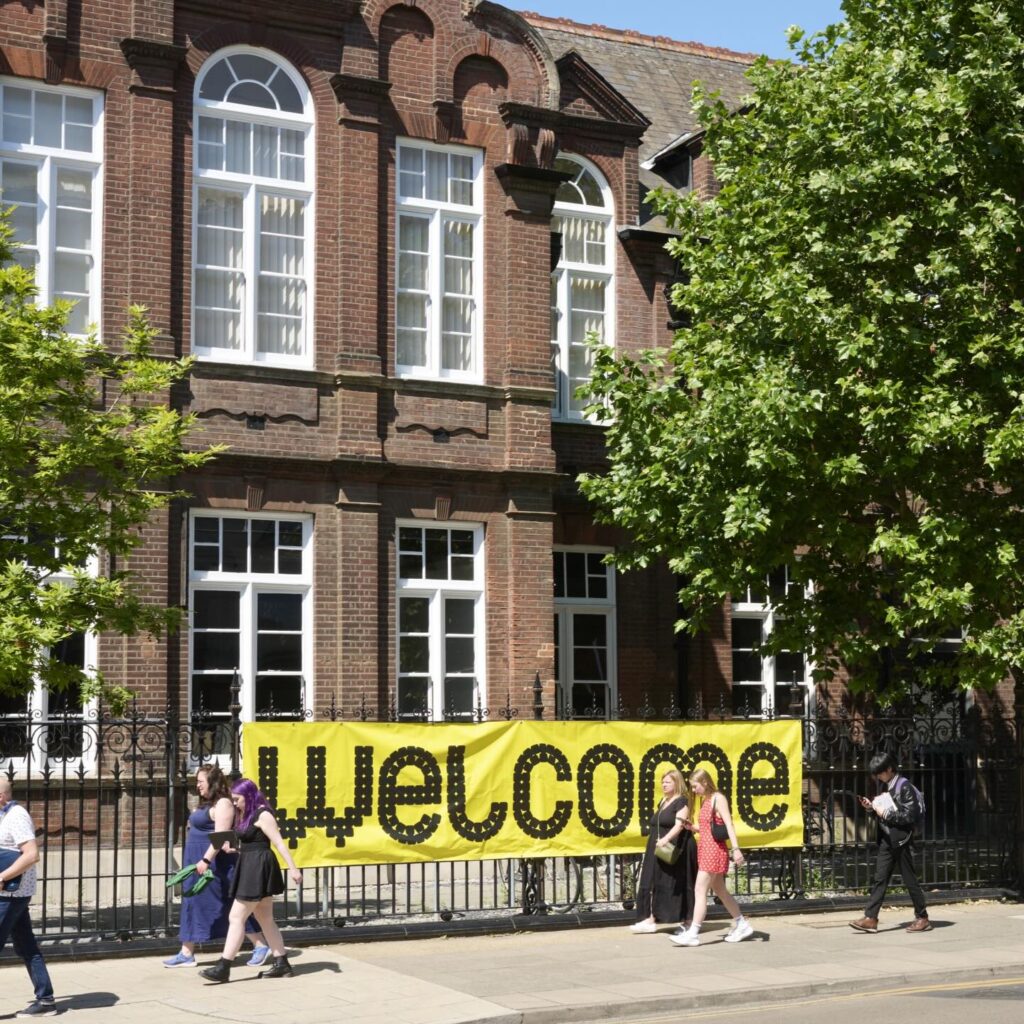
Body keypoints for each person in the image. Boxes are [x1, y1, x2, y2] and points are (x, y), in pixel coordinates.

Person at [164, 764, 269, 968]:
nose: (198, 786)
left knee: (228, 904)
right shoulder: (205, 804)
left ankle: (260, 944)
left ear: (212, 782)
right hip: (195, 860)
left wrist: (205, 860)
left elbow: (221, 837)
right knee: (192, 902)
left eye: (201, 782)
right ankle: (187, 951)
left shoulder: (223, 803)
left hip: (214, 864)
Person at [199, 778, 302, 983]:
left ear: (248, 796)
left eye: (237, 799)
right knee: (265, 918)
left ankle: (224, 966)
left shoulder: (263, 814)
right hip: (250, 864)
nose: (235, 803)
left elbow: (278, 843)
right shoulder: (248, 814)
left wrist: (293, 868)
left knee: (236, 917)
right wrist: (235, 848)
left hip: (258, 868)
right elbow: (253, 842)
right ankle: (282, 962)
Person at [670, 769, 753, 946]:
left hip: (713, 851)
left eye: (695, 786)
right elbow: (712, 827)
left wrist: (736, 848)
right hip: (708, 849)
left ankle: (693, 932)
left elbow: (729, 823)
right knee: (721, 891)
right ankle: (741, 924)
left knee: (700, 890)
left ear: (705, 782)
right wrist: (694, 828)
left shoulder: (717, 798)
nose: (694, 790)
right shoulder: (707, 800)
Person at [851, 752, 930, 933]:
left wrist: (885, 814)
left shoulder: (904, 787)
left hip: (901, 839)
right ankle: (871, 918)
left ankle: (922, 917)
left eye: (880, 772)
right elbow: (888, 810)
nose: (878, 776)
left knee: (909, 879)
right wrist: (871, 808)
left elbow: (909, 816)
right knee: (880, 877)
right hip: (889, 838)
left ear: (889, 769)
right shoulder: (890, 786)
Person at [0, 778, 56, 1018]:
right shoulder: (5, 816)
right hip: (12, 893)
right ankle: (46, 1001)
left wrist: (1, 876)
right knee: (26, 946)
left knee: (26, 946)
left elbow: (32, 855)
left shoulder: (16, 816)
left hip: (11, 893)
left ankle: (45, 999)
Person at [630, 769, 697, 933]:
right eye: (663, 782)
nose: (664, 785)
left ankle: (688, 921)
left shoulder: (682, 801)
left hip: (675, 847)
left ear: (677, 783)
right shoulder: (663, 801)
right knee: (651, 880)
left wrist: (666, 840)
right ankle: (649, 919)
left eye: (668, 782)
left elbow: (679, 825)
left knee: (681, 883)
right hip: (659, 846)